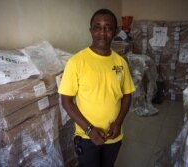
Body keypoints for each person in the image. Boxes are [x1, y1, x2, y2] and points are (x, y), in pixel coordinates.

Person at [58, 8, 135, 167]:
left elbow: (127, 95)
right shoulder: (76, 62)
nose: (102, 32)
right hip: (86, 137)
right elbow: (66, 101)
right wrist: (89, 130)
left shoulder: (120, 62)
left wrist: (118, 123)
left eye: (108, 28)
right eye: (97, 27)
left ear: (115, 31)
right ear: (91, 30)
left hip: (114, 135)